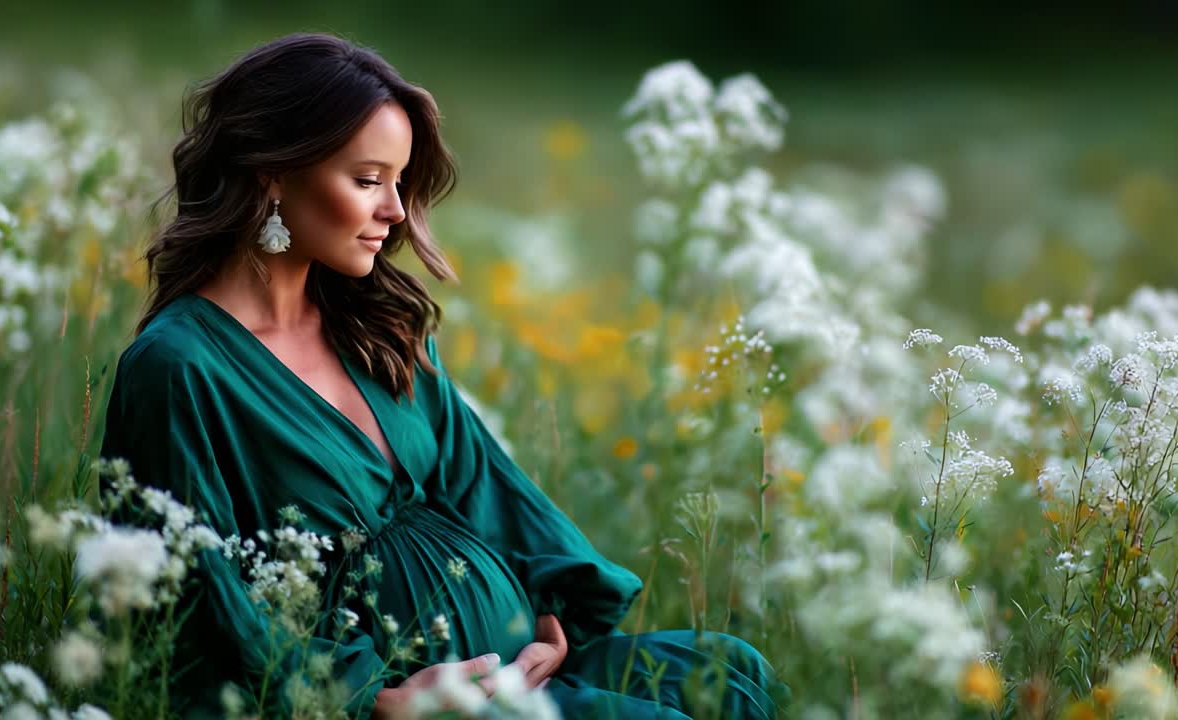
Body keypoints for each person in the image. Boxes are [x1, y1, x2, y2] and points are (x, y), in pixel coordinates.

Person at [99, 31, 787, 719]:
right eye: (368, 180)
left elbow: (484, 485)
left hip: (519, 671)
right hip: (402, 706)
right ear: (273, 174)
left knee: (735, 675)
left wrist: (551, 615)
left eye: (399, 183)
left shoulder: (371, 326)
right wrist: (371, 700)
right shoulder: (180, 367)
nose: (396, 211)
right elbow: (204, 591)